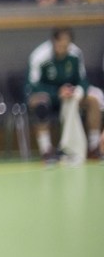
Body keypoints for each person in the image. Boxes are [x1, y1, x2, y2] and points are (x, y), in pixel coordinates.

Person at [25, 28, 103, 163]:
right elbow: (32, 85)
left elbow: (83, 80)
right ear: (53, 42)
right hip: (47, 95)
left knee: (93, 101)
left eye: (66, 46)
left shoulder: (75, 54)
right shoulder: (39, 56)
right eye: (60, 45)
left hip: (69, 96)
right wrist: (57, 92)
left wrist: (77, 91)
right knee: (40, 104)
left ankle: (93, 147)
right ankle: (46, 151)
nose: (63, 49)